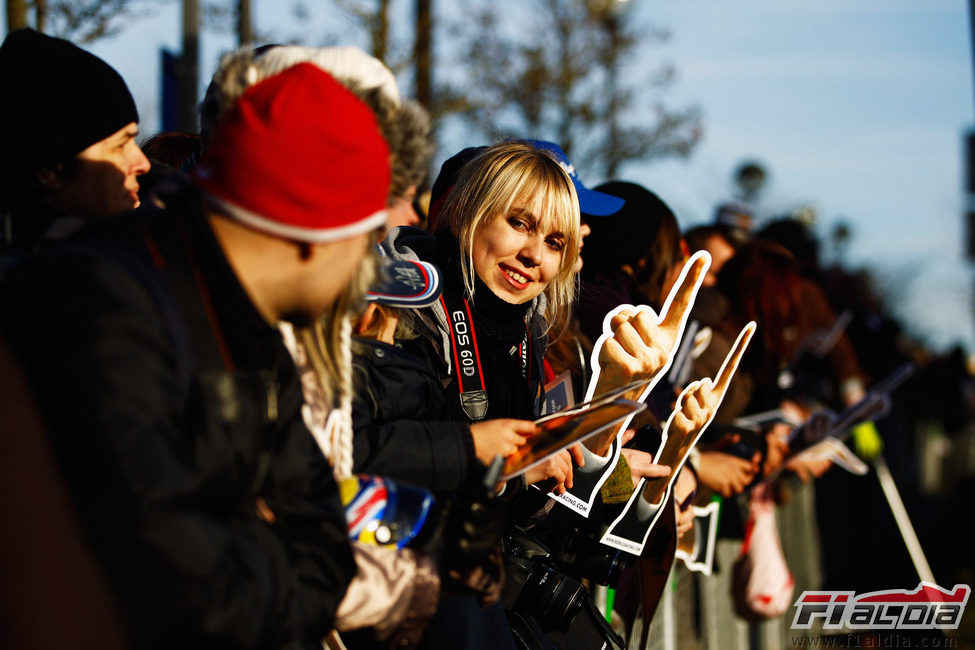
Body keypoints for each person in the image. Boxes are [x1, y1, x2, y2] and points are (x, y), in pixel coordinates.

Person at [0, 63, 394, 648]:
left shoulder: (232, 305)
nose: (141, 162)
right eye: (118, 143)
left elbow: (307, 519)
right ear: (316, 238)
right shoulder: (97, 312)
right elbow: (174, 575)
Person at [0, 28, 150, 259]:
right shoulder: (44, 285)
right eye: (120, 145)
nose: (143, 164)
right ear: (50, 171)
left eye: (134, 139)